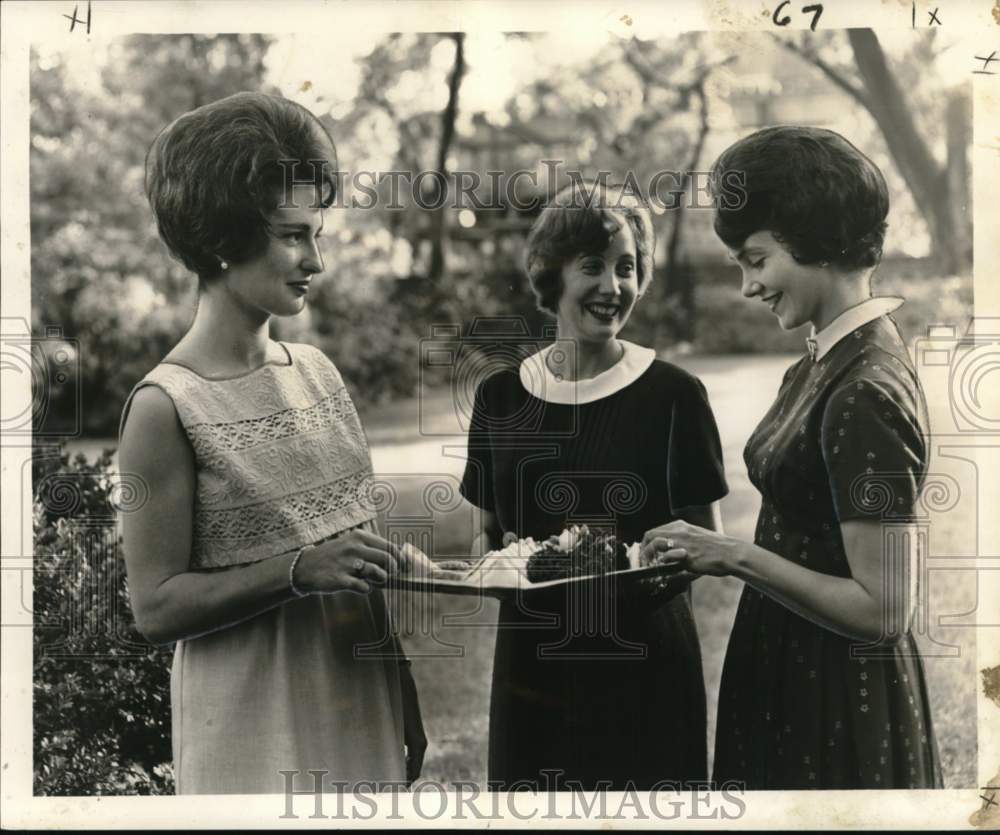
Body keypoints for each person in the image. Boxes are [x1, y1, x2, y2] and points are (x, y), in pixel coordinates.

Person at [118, 92, 425, 794]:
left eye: (316, 232)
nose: (314, 258)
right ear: (224, 238)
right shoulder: (165, 406)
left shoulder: (317, 372)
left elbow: (358, 552)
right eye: (292, 235)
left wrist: (402, 687)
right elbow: (155, 606)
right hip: (251, 718)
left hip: (359, 694)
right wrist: (298, 569)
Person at [642, 126, 942, 789]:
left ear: (814, 241)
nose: (748, 286)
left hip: (840, 700)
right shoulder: (828, 354)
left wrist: (732, 555)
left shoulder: (864, 388)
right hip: (790, 667)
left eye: (756, 259)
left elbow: (884, 610)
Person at [460, 183, 729, 790]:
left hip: (644, 664)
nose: (613, 287)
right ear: (551, 276)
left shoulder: (674, 395)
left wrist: (634, 573)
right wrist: (500, 569)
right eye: (593, 266)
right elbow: (490, 540)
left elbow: (707, 544)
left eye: (627, 268)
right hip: (532, 666)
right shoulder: (499, 398)